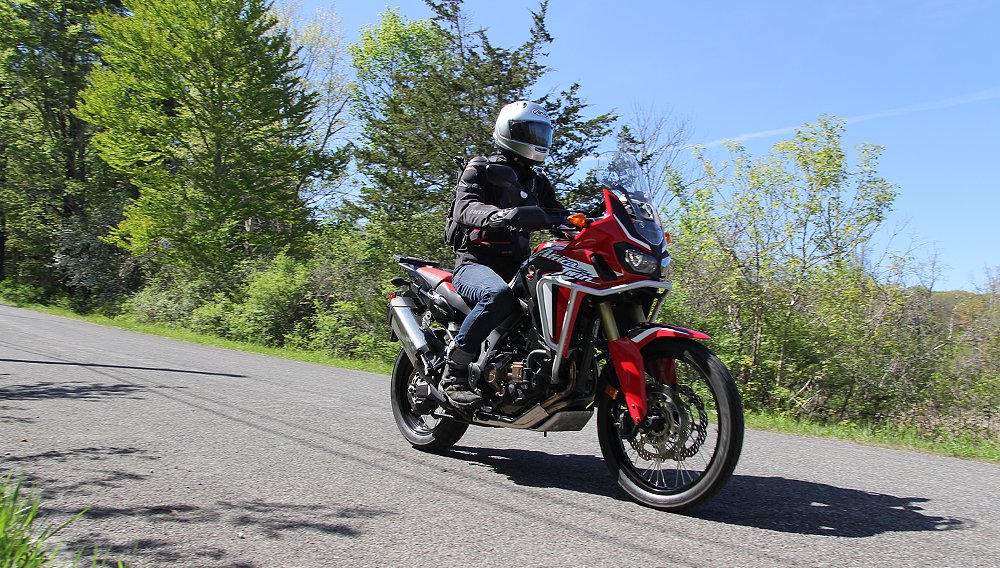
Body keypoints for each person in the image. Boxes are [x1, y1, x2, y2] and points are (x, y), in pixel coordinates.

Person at [442, 100, 564, 409]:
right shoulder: (480, 168)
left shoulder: (537, 182)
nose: (537, 141)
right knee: (497, 296)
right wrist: (499, 216)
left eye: (541, 134)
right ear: (508, 131)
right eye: (530, 133)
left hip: (518, 268)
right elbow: (465, 207)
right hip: (474, 264)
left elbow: (558, 216)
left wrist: (590, 223)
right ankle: (454, 371)